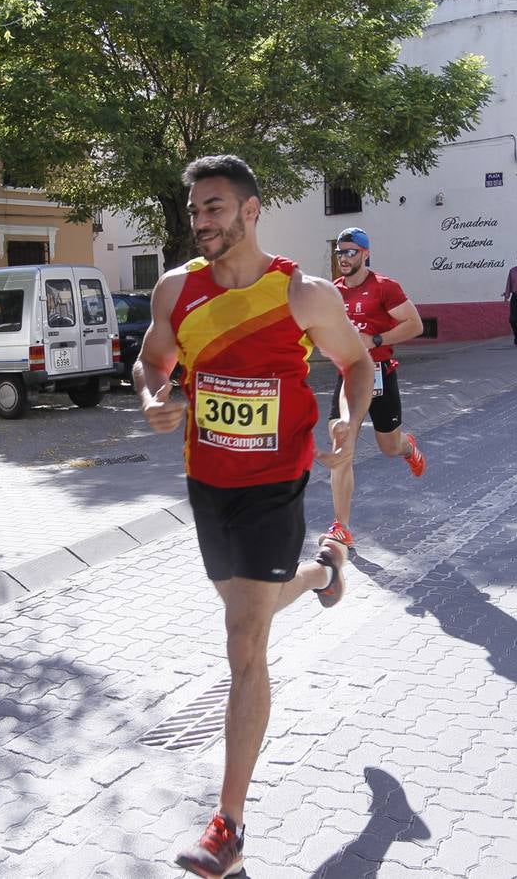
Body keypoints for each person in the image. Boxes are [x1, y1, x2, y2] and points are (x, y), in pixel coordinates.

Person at [133, 155, 374, 879]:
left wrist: (348, 422)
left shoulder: (303, 294)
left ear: (250, 210)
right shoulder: (176, 289)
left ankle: (227, 827)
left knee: (243, 640)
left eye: (214, 208)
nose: (200, 221)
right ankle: (326, 570)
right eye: (194, 211)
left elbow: (357, 366)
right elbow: (151, 361)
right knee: (252, 606)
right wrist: (151, 399)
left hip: (276, 480)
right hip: (207, 479)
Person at [320, 227, 427, 549]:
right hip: (348, 375)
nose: (344, 258)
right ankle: (342, 526)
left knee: (388, 447)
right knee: (342, 442)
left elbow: (415, 324)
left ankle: (407, 446)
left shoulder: (384, 287)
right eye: (339, 252)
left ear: (365, 253)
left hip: (380, 372)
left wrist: (375, 339)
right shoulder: (332, 291)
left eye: (350, 251)